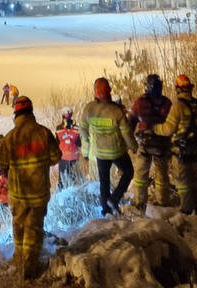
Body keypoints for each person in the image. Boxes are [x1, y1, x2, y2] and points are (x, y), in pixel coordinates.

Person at [0, 95, 61, 280]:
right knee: (34, 228)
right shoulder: (44, 133)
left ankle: (20, 260)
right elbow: (56, 157)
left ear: (16, 115)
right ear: (31, 112)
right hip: (39, 192)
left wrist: (1, 146)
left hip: (18, 193)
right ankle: (30, 265)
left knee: (19, 225)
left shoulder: (10, 138)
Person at [80, 77, 138, 217]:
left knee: (104, 183)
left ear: (95, 93)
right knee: (128, 171)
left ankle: (106, 211)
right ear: (109, 91)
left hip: (100, 152)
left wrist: (86, 151)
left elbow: (83, 130)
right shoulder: (116, 111)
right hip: (117, 151)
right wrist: (133, 147)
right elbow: (127, 133)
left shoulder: (89, 109)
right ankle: (115, 198)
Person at [153, 74, 197, 215]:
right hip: (195, 148)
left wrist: (155, 128)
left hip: (180, 150)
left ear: (178, 89)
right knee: (195, 178)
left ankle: (187, 209)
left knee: (182, 181)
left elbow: (168, 129)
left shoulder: (177, 106)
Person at [128, 74, 173, 209]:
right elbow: (173, 124)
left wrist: (131, 143)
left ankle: (140, 202)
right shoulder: (167, 103)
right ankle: (163, 201)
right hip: (163, 144)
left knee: (141, 174)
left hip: (145, 144)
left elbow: (131, 122)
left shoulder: (140, 102)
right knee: (162, 174)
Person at [55, 107, 82, 188]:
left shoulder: (58, 128)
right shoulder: (76, 128)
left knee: (62, 180)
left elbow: (56, 143)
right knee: (74, 179)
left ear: (62, 115)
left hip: (63, 157)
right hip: (74, 157)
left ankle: (60, 196)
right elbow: (79, 143)